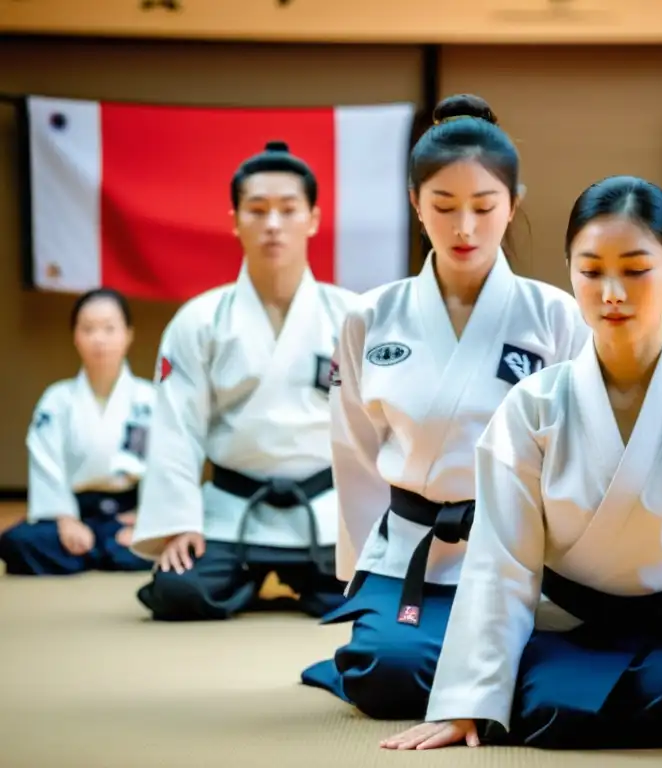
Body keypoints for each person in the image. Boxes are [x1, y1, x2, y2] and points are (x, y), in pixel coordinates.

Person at [381, 175, 662, 754]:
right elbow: (502, 562)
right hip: (568, 623)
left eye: (636, 269)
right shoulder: (533, 407)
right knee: (555, 713)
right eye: (591, 271)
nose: (612, 291)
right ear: (569, 271)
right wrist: (471, 698)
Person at [298, 94, 592, 720]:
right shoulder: (369, 316)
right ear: (414, 203)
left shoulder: (557, 317)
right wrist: (358, 576)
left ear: (513, 203)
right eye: (444, 206)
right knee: (386, 676)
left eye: (485, 207)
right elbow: (352, 452)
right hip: (415, 549)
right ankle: (408, 637)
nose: (465, 229)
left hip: (523, 548)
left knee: (571, 692)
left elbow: (582, 457)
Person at [130, 141, 361, 621]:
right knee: (180, 593)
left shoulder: (351, 316)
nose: (272, 224)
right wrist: (178, 524)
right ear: (235, 220)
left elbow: (378, 431)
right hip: (230, 512)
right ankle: (250, 575)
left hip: (325, 514)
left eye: (287, 209)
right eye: (256, 210)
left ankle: (286, 580)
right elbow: (177, 429)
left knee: (368, 603)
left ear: (313, 219)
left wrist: (376, 525)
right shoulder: (200, 320)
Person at [0, 289, 154, 576]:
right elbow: (45, 462)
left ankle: (93, 553)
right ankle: (103, 551)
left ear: (128, 334)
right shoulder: (57, 400)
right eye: (88, 329)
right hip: (75, 510)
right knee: (16, 542)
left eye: (109, 328)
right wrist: (65, 518)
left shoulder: (150, 399)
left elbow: (168, 463)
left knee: (167, 543)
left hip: (128, 515)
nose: (99, 339)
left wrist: (148, 518)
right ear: (75, 336)